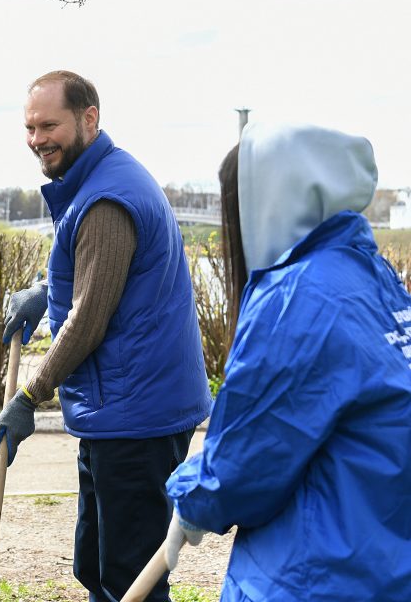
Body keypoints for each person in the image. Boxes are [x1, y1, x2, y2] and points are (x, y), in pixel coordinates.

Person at [164, 123, 411, 600]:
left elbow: (250, 453)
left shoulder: (298, 296)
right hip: (383, 559)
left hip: (315, 573)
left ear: (266, 203)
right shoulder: (377, 278)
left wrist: (195, 497)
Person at [0, 70, 211, 601]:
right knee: (97, 564)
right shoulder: (98, 180)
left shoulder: (107, 198)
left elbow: (89, 320)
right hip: (120, 409)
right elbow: (103, 274)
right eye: (30, 127)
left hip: (136, 415)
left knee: (130, 578)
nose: (37, 139)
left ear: (89, 119)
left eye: (49, 125)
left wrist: (29, 396)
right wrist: (47, 291)